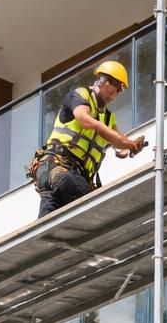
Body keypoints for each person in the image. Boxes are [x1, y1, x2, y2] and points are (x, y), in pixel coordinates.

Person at [32, 60, 148, 217]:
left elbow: (119, 144)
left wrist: (131, 147)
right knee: (93, 207)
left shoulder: (108, 118)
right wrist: (127, 143)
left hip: (67, 175)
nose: (115, 94)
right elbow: (84, 119)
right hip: (57, 166)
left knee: (49, 222)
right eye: (114, 87)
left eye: (119, 90)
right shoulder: (80, 96)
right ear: (101, 80)